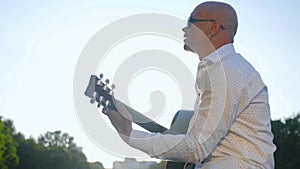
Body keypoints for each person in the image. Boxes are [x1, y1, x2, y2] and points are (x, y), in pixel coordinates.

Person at [107, 1, 276, 168]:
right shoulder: (221, 70)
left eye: (191, 21)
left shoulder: (227, 72)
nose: (184, 28)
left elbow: (197, 148)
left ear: (213, 28)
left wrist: (129, 134)